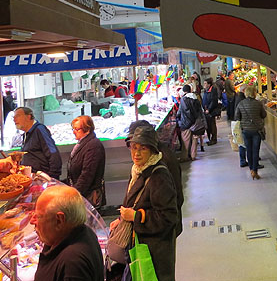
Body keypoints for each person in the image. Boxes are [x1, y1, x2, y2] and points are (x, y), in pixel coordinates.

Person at [109, 127, 178, 281]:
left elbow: (169, 217)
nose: (137, 153)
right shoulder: (137, 170)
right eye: (134, 148)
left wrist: (136, 217)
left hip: (154, 251)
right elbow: (133, 202)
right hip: (139, 244)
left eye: (143, 148)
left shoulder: (159, 176)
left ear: (152, 150)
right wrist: (121, 219)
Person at [32, 185, 104, 281]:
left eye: (38, 216)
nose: (32, 221)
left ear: (59, 220)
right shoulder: (81, 231)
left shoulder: (73, 263)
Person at [67, 115, 106, 209]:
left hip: (88, 198)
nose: (74, 132)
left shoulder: (93, 146)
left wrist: (74, 194)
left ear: (87, 129)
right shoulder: (81, 144)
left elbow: (87, 175)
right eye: (73, 129)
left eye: (77, 129)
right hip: (81, 195)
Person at [13, 107, 62, 179]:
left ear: (28, 117)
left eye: (17, 116)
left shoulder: (40, 130)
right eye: (13, 117)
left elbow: (53, 152)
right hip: (32, 177)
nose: (14, 120)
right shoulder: (26, 134)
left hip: (43, 178)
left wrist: (52, 177)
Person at [234, 85, 267, 180]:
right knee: (256, 150)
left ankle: (251, 169)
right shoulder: (258, 103)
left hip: (245, 130)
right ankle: (255, 170)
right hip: (257, 130)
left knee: (249, 150)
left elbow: (237, 117)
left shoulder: (241, 104)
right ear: (254, 93)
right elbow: (263, 115)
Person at [176, 85, 199, 162]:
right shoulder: (195, 97)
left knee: (185, 140)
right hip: (195, 122)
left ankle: (185, 157)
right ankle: (193, 155)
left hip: (186, 123)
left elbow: (180, 111)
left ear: (184, 91)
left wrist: (177, 117)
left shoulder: (183, 99)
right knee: (194, 139)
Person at [202, 77, 220, 145]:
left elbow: (213, 101)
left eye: (205, 83)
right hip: (206, 110)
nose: (204, 84)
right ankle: (210, 138)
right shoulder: (206, 90)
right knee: (208, 125)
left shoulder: (213, 91)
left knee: (212, 125)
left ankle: (214, 139)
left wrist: (209, 109)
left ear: (209, 84)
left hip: (211, 111)